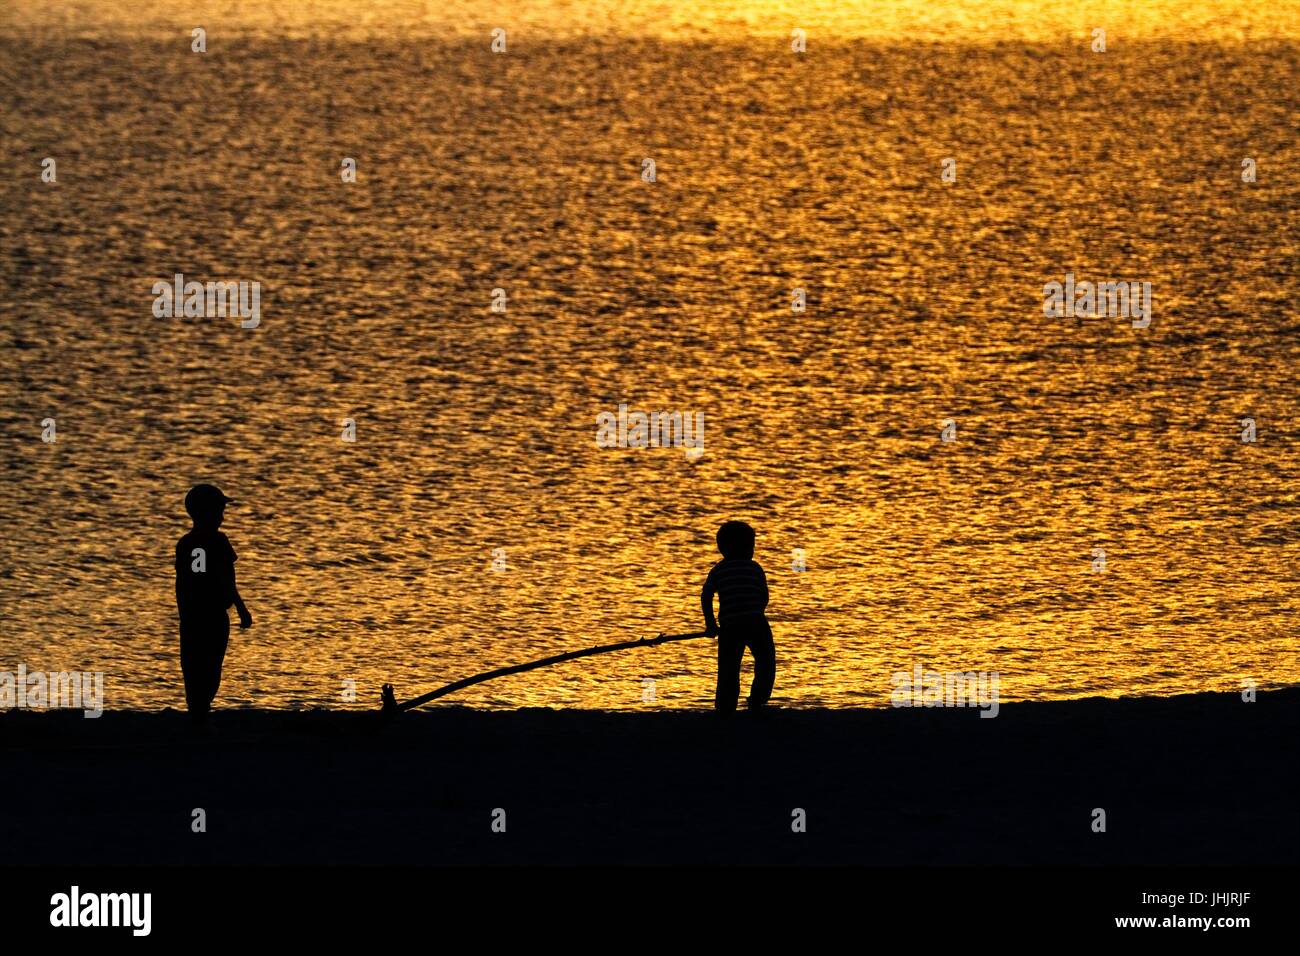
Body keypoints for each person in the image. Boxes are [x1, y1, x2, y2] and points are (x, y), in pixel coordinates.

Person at [175, 483, 252, 724]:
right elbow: (224, 577)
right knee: (210, 664)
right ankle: (201, 709)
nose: (222, 516)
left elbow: (184, 583)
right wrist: (241, 607)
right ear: (207, 512)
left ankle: (196, 709)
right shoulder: (218, 542)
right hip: (213, 616)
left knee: (193, 663)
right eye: (219, 510)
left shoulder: (186, 543)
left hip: (192, 616)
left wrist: (186, 611)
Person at [701, 521, 775, 713]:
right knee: (766, 661)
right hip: (755, 622)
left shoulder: (718, 570)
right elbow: (763, 595)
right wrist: (755, 609)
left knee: (728, 668)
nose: (752, 549)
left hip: (730, 625)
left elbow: (706, 595)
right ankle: (757, 700)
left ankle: (726, 707)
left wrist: (711, 623)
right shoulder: (755, 568)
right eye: (750, 545)